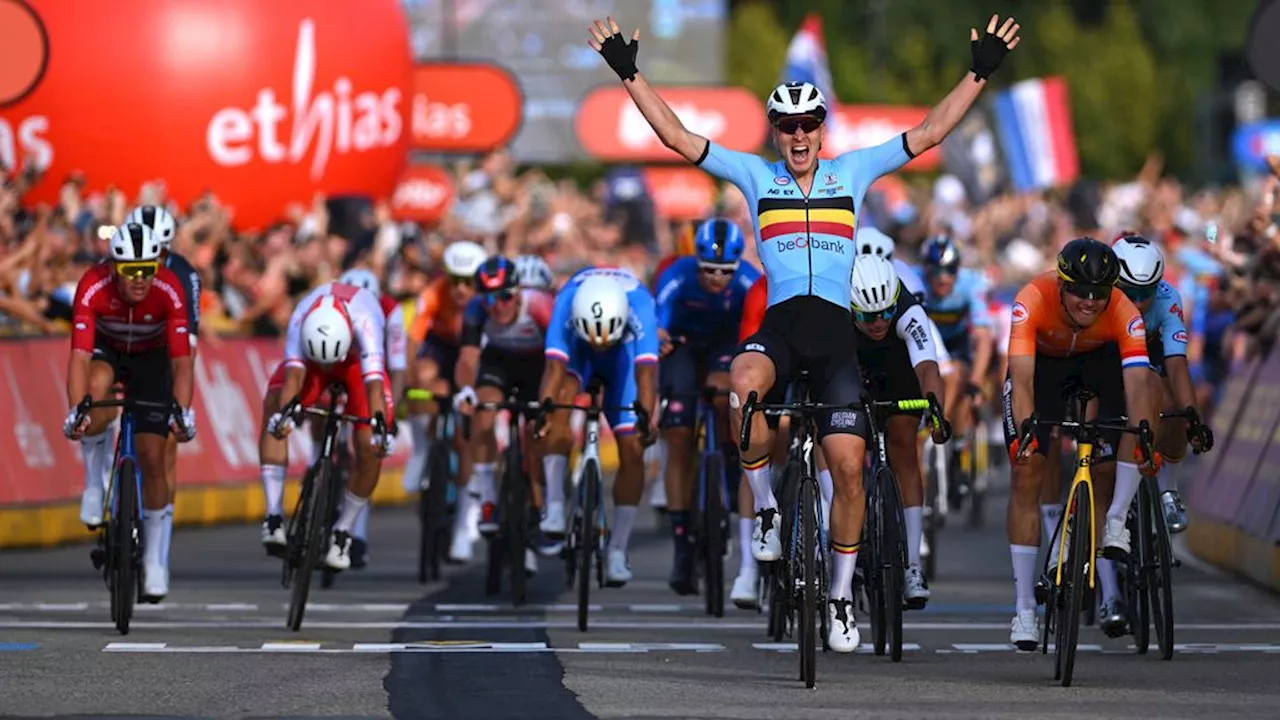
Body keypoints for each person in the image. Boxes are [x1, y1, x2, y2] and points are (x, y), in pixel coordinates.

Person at [587, 11, 1021, 653]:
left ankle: (841, 596)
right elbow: (679, 138)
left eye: (807, 124)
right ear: (776, 133)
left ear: (822, 128)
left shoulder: (854, 172)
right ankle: (764, 505)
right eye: (786, 126)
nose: (798, 135)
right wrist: (628, 73)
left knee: (848, 469)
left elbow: (930, 132)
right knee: (742, 381)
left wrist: (979, 73)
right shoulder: (757, 178)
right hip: (784, 330)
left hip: (838, 340)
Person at [1003, 237, 1158, 651]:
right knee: (1027, 472)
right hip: (1044, 367)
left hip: (1100, 363)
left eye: (1099, 294)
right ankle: (1023, 610)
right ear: (1062, 286)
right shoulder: (1031, 298)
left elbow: (1138, 384)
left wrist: (1142, 433)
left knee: (1134, 426)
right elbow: (1020, 380)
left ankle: (1115, 522)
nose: (1090, 302)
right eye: (1080, 292)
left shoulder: (1124, 312)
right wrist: (1026, 434)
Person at [1073, 233, 1211, 635]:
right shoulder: (1098, 301)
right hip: (1106, 375)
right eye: (1129, 292)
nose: (1138, 301)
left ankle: (1166, 489)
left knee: (1172, 402)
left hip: (1147, 370)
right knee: (1097, 476)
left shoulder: (1168, 300)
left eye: (1146, 292)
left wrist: (1192, 419)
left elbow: (1177, 365)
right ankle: (1111, 593)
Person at [64, 223, 196, 601]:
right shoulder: (92, 285)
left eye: (147, 270)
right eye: (130, 271)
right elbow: (78, 357)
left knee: (154, 456)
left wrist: (183, 413)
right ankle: (93, 483)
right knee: (95, 392)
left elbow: (182, 364)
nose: (139, 280)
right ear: (114, 268)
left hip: (152, 358)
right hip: (107, 349)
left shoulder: (170, 290)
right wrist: (77, 412)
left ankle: (155, 559)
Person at [653, 218, 760, 596]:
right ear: (695, 262)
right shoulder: (676, 275)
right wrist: (660, 334)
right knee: (678, 433)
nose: (716, 278)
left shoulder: (748, 280)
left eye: (724, 272)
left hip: (725, 348)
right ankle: (682, 544)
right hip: (681, 346)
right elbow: (657, 323)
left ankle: (729, 460)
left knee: (721, 393)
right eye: (709, 270)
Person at [535, 269, 659, 586]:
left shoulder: (641, 304)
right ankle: (554, 505)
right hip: (579, 354)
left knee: (633, 449)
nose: (600, 344)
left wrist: (646, 419)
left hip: (624, 357)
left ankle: (617, 549)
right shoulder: (566, 301)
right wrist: (544, 413)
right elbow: (553, 368)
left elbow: (646, 375)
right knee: (558, 404)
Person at [262, 283, 396, 570]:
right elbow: (293, 381)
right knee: (275, 404)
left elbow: (374, 388)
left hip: (354, 364)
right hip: (311, 361)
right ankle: (273, 516)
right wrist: (283, 417)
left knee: (369, 446)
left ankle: (343, 532)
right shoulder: (300, 318)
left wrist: (380, 430)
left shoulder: (367, 322)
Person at [848, 255, 952, 609]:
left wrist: (936, 413)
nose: (878, 323)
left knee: (904, 444)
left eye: (884, 314)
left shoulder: (909, 311)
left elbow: (927, 368)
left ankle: (912, 565)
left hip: (898, 371)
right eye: (866, 316)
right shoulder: (836, 311)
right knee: (844, 446)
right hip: (852, 368)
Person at [453, 256, 554, 575]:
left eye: (505, 296)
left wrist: (552, 401)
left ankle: (540, 510)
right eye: (490, 298)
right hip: (499, 365)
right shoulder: (475, 310)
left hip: (540, 367)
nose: (498, 306)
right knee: (483, 411)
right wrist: (466, 391)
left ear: (519, 291)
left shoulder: (540, 306)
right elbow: (468, 359)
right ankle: (487, 497)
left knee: (539, 437)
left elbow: (559, 360)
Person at [122, 204, 201, 588]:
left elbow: (188, 350)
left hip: (164, 356)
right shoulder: (119, 266)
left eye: (161, 251)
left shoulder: (182, 277)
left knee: (164, 450)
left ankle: (158, 552)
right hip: (122, 347)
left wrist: (180, 405)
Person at [404, 241, 486, 563]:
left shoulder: (485, 304)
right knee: (422, 377)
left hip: (475, 352)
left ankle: (464, 526)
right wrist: (410, 383)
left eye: (469, 283)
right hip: (441, 348)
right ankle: (422, 449)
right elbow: (412, 343)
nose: (461, 290)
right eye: (456, 281)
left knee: (466, 438)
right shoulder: (433, 293)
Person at [333, 267, 408, 568]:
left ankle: (357, 532)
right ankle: (317, 459)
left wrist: (389, 416)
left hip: (371, 370)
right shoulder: (330, 308)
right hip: (335, 364)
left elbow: (397, 369)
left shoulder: (390, 311)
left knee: (366, 450)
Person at [918, 235, 994, 502]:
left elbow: (983, 336)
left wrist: (976, 380)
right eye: (935, 270)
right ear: (924, 268)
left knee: (961, 379)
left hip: (958, 343)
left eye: (949, 271)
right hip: (926, 340)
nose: (942, 278)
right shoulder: (916, 282)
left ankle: (956, 445)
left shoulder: (970, 284)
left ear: (958, 270)